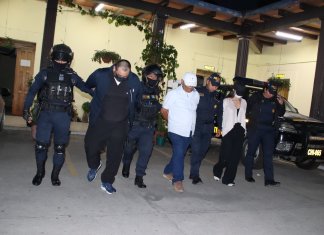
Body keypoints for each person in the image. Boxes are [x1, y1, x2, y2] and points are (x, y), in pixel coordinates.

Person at [22, 43, 93, 186]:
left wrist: (102, 93)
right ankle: (40, 173)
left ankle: (55, 176)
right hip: (45, 115)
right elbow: (32, 92)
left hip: (63, 116)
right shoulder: (45, 73)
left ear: (69, 60)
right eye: (58, 59)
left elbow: (86, 88)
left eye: (63, 60)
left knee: (60, 148)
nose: (60, 62)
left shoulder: (72, 76)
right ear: (52, 58)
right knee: (41, 146)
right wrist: (25, 109)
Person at [84, 59, 141, 195]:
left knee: (115, 155)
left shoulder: (134, 80)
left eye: (125, 77)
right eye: (120, 75)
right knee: (90, 146)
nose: (122, 78)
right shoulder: (100, 75)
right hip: (100, 120)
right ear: (114, 69)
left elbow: (137, 99)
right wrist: (95, 95)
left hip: (120, 123)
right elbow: (87, 85)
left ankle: (107, 181)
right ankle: (94, 165)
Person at [121, 64, 163, 188]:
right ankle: (126, 164)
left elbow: (155, 105)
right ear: (145, 75)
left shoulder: (156, 91)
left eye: (156, 77)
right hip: (135, 125)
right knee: (128, 150)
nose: (153, 78)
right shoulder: (137, 87)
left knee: (146, 152)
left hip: (148, 128)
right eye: (151, 76)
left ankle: (139, 177)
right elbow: (129, 104)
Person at [160, 72, 200, 193]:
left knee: (179, 154)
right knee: (178, 153)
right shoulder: (173, 94)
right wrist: (172, 122)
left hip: (189, 131)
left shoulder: (196, 94)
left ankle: (167, 171)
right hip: (176, 130)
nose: (190, 88)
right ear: (182, 82)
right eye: (188, 86)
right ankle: (177, 180)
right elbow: (164, 110)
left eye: (192, 86)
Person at [244, 82, 285, 186]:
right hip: (255, 128)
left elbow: (280, 113)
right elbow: (247, 109)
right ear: (265, 90)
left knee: (268, 155)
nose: (272, 95)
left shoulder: (275, 99)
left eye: (273, 93)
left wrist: (281, 104)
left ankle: (269, 180)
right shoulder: (256, 97)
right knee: (251, 152)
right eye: (270, 92)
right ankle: (248, 175)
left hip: (269, 130)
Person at [189, 73, 221, 184]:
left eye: (217, 86)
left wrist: (219, 128)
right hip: (197, 125)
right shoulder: (197, 91)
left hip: (209, 128)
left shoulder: (217, 96)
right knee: (196, 150)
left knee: (203, 150)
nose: (215, 87)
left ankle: (193, 170)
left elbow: (220, 113)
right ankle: (195, 174)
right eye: (213, 84)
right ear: (208, 81)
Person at [213, 82, 247, 186]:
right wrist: (219, 128)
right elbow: (219, 115)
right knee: (225, 156)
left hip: (240, 130)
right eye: (239, 91)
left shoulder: (244, 102)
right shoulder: (226, 101)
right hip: (228, 130)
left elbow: (243, 115)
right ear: (235, 90)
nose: (240, 93)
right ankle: (217, 170)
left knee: (235, 157)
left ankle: (228, 179)